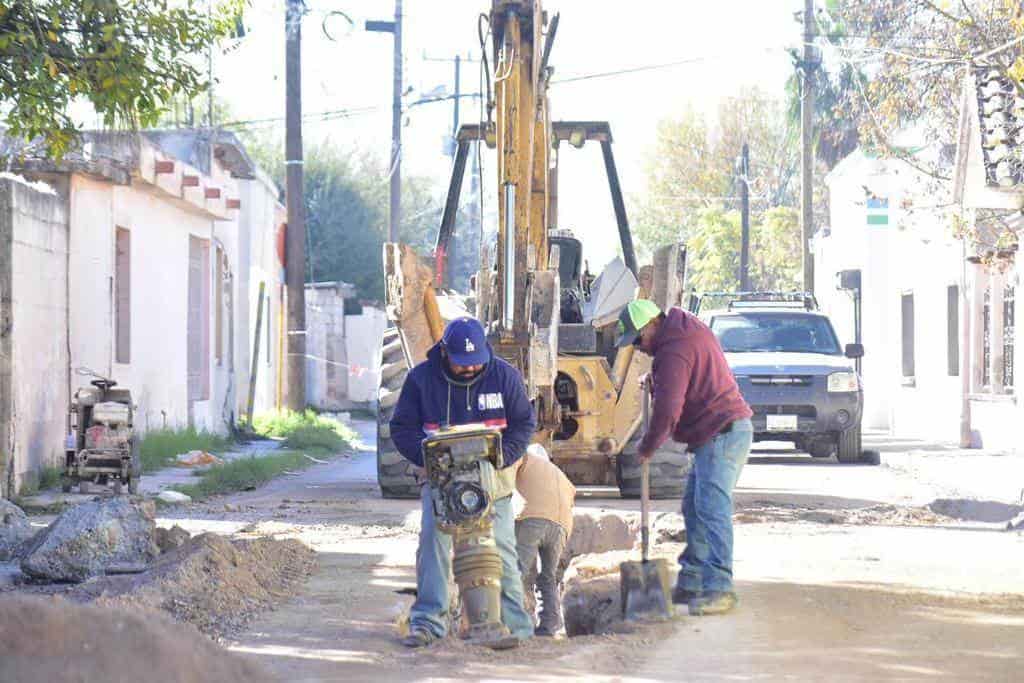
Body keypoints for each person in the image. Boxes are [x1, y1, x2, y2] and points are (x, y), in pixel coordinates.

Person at [390, 316, 536, 648]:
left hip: (492, 479)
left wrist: (504, 456)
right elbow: (401, 428)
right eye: (461, 364)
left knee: (501, 550)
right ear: (444, 353)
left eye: (475, 363)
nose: (469, 369)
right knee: (434, 546)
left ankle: (515, 627)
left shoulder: (505, 377)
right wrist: (426, 458)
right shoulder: (421, 380)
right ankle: (428, 623)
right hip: (441, 479)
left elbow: (524, 423)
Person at [615, 299, 753, 616]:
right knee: (693, 506)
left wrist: (647, 446)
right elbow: (681, 378)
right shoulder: (682, 329)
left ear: (651, 324)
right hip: (717, 434)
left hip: (722, 434)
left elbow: (667, 412)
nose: (639, 349)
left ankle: (719, 588)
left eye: (638, 340)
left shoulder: (673, 349)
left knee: (711, 510)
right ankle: (692, 580)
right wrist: (659, 382)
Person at [512, 444, 576, 636]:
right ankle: (549, 625)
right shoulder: (561, 475)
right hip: (562, 526)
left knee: (517, 573)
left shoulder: (524, 458)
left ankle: (514, 624)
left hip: (533, 518)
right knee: (547, 577)